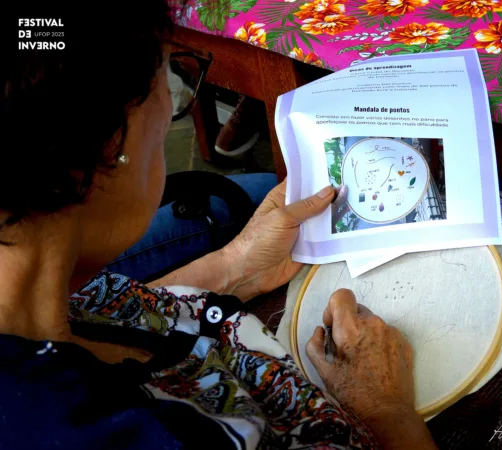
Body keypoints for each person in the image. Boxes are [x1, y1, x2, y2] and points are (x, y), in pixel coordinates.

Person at [0, 1, 437, 449]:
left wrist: (236, 265)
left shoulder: (34, 299)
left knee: (259, 188)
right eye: (171, 77)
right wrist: (382, 410)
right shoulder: (113, 431)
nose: (173, 101)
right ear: (110, 142)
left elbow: (110, 311)